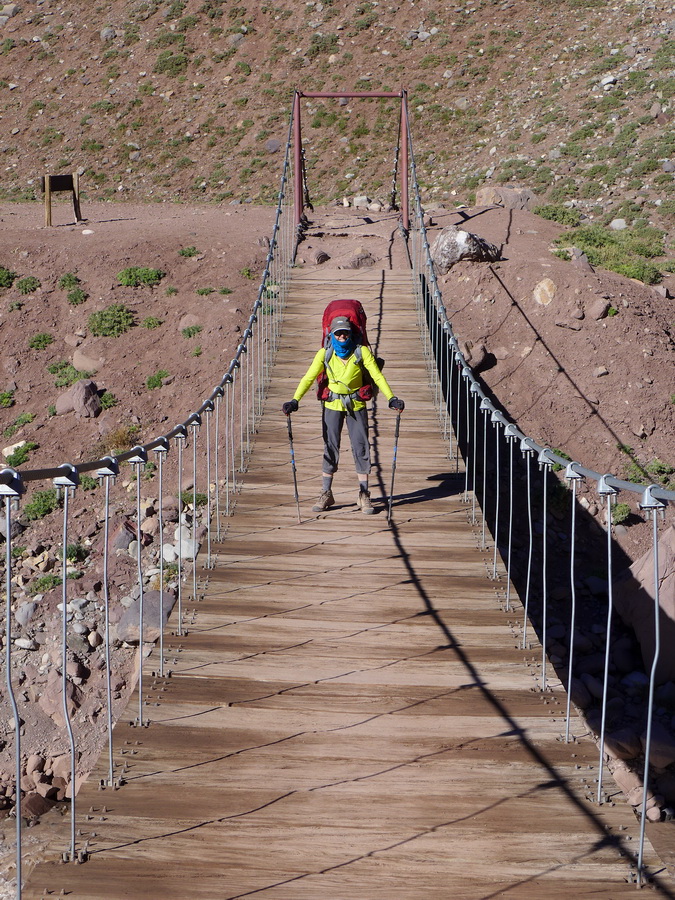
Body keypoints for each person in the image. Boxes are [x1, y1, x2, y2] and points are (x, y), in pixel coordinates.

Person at [283, 315, 404, 514]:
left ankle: (364, 495)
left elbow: (377, 376)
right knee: (330, 446)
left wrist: (391, 398)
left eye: (345, 333)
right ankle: (326, 493)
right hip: (332, 404)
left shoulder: (361, 351)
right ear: (331, 334)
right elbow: (308, 377)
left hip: (356, 404)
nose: (341, 336)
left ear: (351, 333)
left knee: (361, 446)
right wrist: (295, 400)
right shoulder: (325, 353)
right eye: (337, 333)